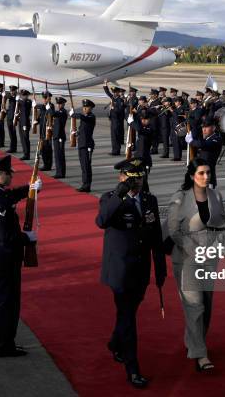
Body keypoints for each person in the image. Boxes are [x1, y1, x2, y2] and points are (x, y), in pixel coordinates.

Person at [95, 157, 166, 388]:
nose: (137, 182)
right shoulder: (110, 199)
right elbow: (102, 221)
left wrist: (161, 269)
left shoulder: (149, 200)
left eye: (140, 177)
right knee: (127, 317)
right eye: (132, 178)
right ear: (122, 177)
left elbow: (155, 236)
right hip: (120, 270)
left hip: (141, 269)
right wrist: (120, 193)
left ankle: (115, 342)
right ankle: (133, 369)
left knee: (128, 313)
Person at [167, 158, 225, 372]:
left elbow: (222, 225)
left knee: (207, 305)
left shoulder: (216, 195)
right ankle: (200, 354)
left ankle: (193, 340)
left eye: (208, 172)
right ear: (192, 176)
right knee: (195, 306)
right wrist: (191, 248)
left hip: (210, 257)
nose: (206, 177)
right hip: (186, 260)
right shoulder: (180, 198)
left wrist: (219, 243)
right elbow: (173, 230)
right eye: (201, 173)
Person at [0, 155, 41, 357]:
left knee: (8, 303)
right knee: (7, 304)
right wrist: (27, 238)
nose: (10, 177)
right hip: (5, 256)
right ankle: (4, 345)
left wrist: (29, 189)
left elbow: (10, 196)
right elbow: (6, 236)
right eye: (8, 174)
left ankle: (6, 342)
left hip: (4, 256)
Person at [186, 115, 222, 188]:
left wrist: (191, 141)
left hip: (208, 176)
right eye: (203, 127)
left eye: (206, 127)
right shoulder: (206, 138)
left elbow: (202, 144)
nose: (204, 130)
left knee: (208, 197)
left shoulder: (216, 139)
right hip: (201, 174)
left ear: (213, 128)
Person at [70, 99, 96, 192]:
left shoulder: (91, 117)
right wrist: (77, 133)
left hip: (87, 145)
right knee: (83, 166)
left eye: (86, 107)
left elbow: (82, 117)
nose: (84, 109)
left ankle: (87, 185)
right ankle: (84, 183)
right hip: (82, 144)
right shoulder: (85, 117)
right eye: (84, 107)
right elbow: (83, 129)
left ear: (91, 108)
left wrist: (73, 114)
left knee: (86, 166)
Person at [103, 81, 126, 156]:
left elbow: (120, 110)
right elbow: (107, 92)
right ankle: (114, 150)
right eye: (113, 92)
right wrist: (105, 84)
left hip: (117, 121)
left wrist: (113, 108)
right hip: (113, 120)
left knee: (116, 136)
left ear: (118, 93)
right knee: (113, 136)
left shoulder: (120, 100)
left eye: (115, 92)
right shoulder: (113, 98)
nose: (113, 93)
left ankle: (117, 151)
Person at [34, 91, 54, 171]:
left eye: (46, 98)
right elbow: (41, 116)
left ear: (49, 98)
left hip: (47, 132)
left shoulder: (51, 106)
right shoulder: (44, 106)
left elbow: (51, 113)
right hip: (42, 131)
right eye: (44, 98)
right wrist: (36, 121)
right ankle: (46, 164)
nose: (44, 100)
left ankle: (48, 165)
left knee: (47, 149)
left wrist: (36, 105)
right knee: (43, 149)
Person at [51, 97, 68, 179]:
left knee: (60, 155)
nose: (58, 105)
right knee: (57, 155)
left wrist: (48, 107)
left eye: (60, 104)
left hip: (60, 136)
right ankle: (59, 172)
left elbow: (53, 114)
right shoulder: (59, 111)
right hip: (56, 136)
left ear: (63, 104)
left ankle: (61, 173)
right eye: (58, 104)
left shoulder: (63, 112)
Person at [17, 89, 32, 160]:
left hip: (25, 123)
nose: (22, 96)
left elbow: (23, 104)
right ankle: (25, 153)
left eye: (23, 95)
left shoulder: (28, 102)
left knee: (25, 139)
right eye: (21, 95)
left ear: (26, 96)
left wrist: (18, 100)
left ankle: (27, 154)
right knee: (22, 138)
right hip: (21, 122)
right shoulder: (22, 101)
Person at [5, 85, 19, 153]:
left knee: (13, 133)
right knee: (11, 133)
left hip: (14, 118)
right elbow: (7, 96)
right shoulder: (11, 96)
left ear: (16, 90)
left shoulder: (17, 98)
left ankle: (13, 148)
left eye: (13, 90)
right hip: (9, 117)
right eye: (11, 90)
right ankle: (12, 147)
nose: (11, 92)